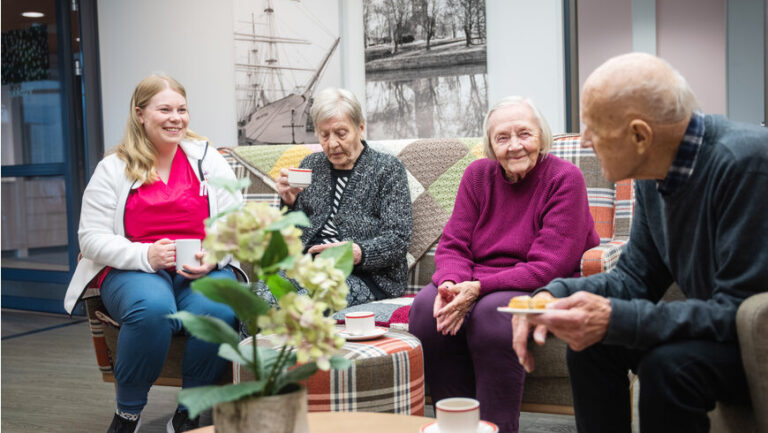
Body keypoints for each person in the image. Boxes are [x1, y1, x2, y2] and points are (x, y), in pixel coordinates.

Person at [513, 52, 768, 433]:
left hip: (753, 332)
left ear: (640, 136)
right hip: (726, 324)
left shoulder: (747, 164)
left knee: (670, 368)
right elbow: (635, 276)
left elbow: (740, 313)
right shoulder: (654, 175)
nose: (584, 141)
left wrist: (615, 318)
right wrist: (554, 294)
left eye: (593, 128)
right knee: (592, 345)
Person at [63, 74, 244, 433]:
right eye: (165, 110)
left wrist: (215, 255)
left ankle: (190, 410)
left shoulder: (208, 160)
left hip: (200, 267)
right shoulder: (113, 167)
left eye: (182, 109)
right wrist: (146, 255)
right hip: (134, 268)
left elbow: (237, 222)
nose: (176, 118)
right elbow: (91, 239)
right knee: (153, 310)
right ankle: (128, 414)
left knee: (220, 310)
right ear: (140, 114)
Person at [409, 96, 600, 433]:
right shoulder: (477, 176)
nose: (514, 146)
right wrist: (450, 283)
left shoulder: (564, 178)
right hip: (477, 279)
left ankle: (497, 427)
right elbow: (453, 244)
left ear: (541, 136)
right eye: (502, 137)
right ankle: (457, 426)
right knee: (427, 309)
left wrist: (478, 288)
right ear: (490, 144)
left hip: (539, 283)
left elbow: (549, 266)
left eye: (524, 134)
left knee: (493, 314)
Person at [276, 87, 412, 306]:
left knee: (302, 304)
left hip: (366, 276)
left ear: (360, 128)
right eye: (324, 135)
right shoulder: (310, 165)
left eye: (341, 133)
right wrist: (289, 204)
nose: (332, 144)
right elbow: (288, 239)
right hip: (307, 269)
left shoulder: (387, 169)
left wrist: (354, 253)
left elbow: (398, 239)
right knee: (257, 300)